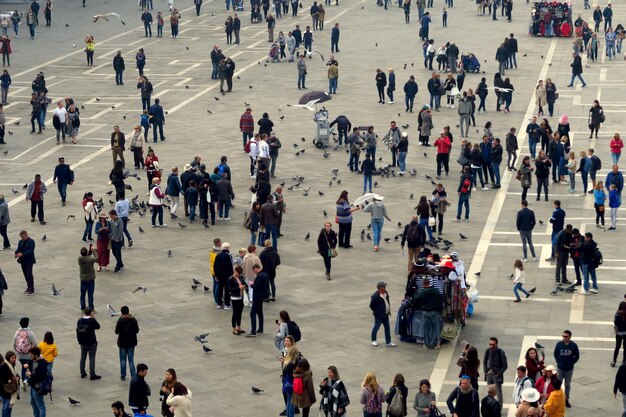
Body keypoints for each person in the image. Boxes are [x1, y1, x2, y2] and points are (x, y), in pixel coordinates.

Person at [414, 277, 443, 349]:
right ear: (429, 283)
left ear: (423, 283)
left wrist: (416, 292)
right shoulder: (435, 290)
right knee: (435, 328)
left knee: (426, 329)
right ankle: (435, 344)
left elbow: (416, 298)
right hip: (434, 311)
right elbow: (441, 297)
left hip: (425, 312)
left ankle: (426, 344)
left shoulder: (422, 292)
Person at [554, 330, 578, 408]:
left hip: (569, 369)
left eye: (566, 336)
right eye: (563, 336)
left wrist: (572, 363)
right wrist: (558, 362)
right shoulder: (559, 344)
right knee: (558, 384)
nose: (564, 338)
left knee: (567, 385)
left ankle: (566, 399)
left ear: (570, 337)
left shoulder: (573, 346)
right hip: (560, 368)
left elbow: (577, 356)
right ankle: (557, 399)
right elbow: (555, 353)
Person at [115, 306, 139, 382]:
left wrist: (119, 318)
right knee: (131, 360)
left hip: (122, 342)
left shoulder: (120, 321)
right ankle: (133, 375)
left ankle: (123, 375)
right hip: (131, 342)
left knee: (123, 360)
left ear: (121, 312)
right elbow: (137, 330)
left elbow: (116, 332)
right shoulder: (133, 320)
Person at [76, 307, 101, 380]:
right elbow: (98, 327)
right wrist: (93, 318)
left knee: (83, 357)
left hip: (83, 342)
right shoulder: (92, 320)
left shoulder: (80, 320)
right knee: (92, 358)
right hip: (91, 341)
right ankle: (92, 374)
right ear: (91, 313)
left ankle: (82, 372)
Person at [369, 281, 396, 347]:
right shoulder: (375, 296)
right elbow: (371, 305)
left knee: (387, 328)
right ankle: (373, 340)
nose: (385, 287)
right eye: (383, 286)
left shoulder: (386, 293)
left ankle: (388, 342)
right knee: (376, 327)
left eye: (385, 286)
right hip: (379, 315)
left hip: (386, 314)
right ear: (380, 288)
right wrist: (376, 311)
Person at [483, 337, 508, 407]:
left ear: (496, 344)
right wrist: (485, 370)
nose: (491, 346)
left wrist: (498, 374)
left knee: (498, 392)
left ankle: (499, 408)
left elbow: (505, 366)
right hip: (489, 373)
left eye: (493, 344)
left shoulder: (501, 352)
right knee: (490, 390)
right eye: (490, 344)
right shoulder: (487, 350)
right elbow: (484, 361)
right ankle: (490, 405)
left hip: (496, 374)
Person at [247, 264, 269, 337]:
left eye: (254, 271)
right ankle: (260, 328)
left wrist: (251, 285)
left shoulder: (259, 276)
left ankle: (253, 331)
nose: (254, 272)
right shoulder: (264, 274)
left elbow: (257, 287)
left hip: (257, 297)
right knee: (260, 312)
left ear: (256, 269)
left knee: (252, 313)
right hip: (262, 296)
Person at [26, 347, 47, 417]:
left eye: (31, 355)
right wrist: (27, 366)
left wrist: (31, 374)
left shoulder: (42, 363)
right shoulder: (33, 361)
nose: (30, 356)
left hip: (38, 387)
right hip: (33, 386)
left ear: (36, 355)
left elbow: (39, 377)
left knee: (40, 405)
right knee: (33, 403)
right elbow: (31, 366)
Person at [15, 230, 36, 294]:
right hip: (22, 260)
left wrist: (22, 254)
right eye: (21, 237)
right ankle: (28, 286)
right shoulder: (20, 242)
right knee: (25, 274)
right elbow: (18, 249)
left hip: (29, 260)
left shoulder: (31, 241)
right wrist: (16, 253)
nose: (22, 238)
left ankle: (31, 288)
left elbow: (30, 251)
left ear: (26, 235)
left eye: (23, 237)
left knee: (29, 274)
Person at [78, 245, 98, 311]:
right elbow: (96, 258)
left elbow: (86, 258)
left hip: (83, 279)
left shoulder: (80, 259)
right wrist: (94, 251)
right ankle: (91, 307)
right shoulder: (90, 260)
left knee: (82, 294)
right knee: (90, 294)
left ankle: (83, 306)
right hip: (90, 279)